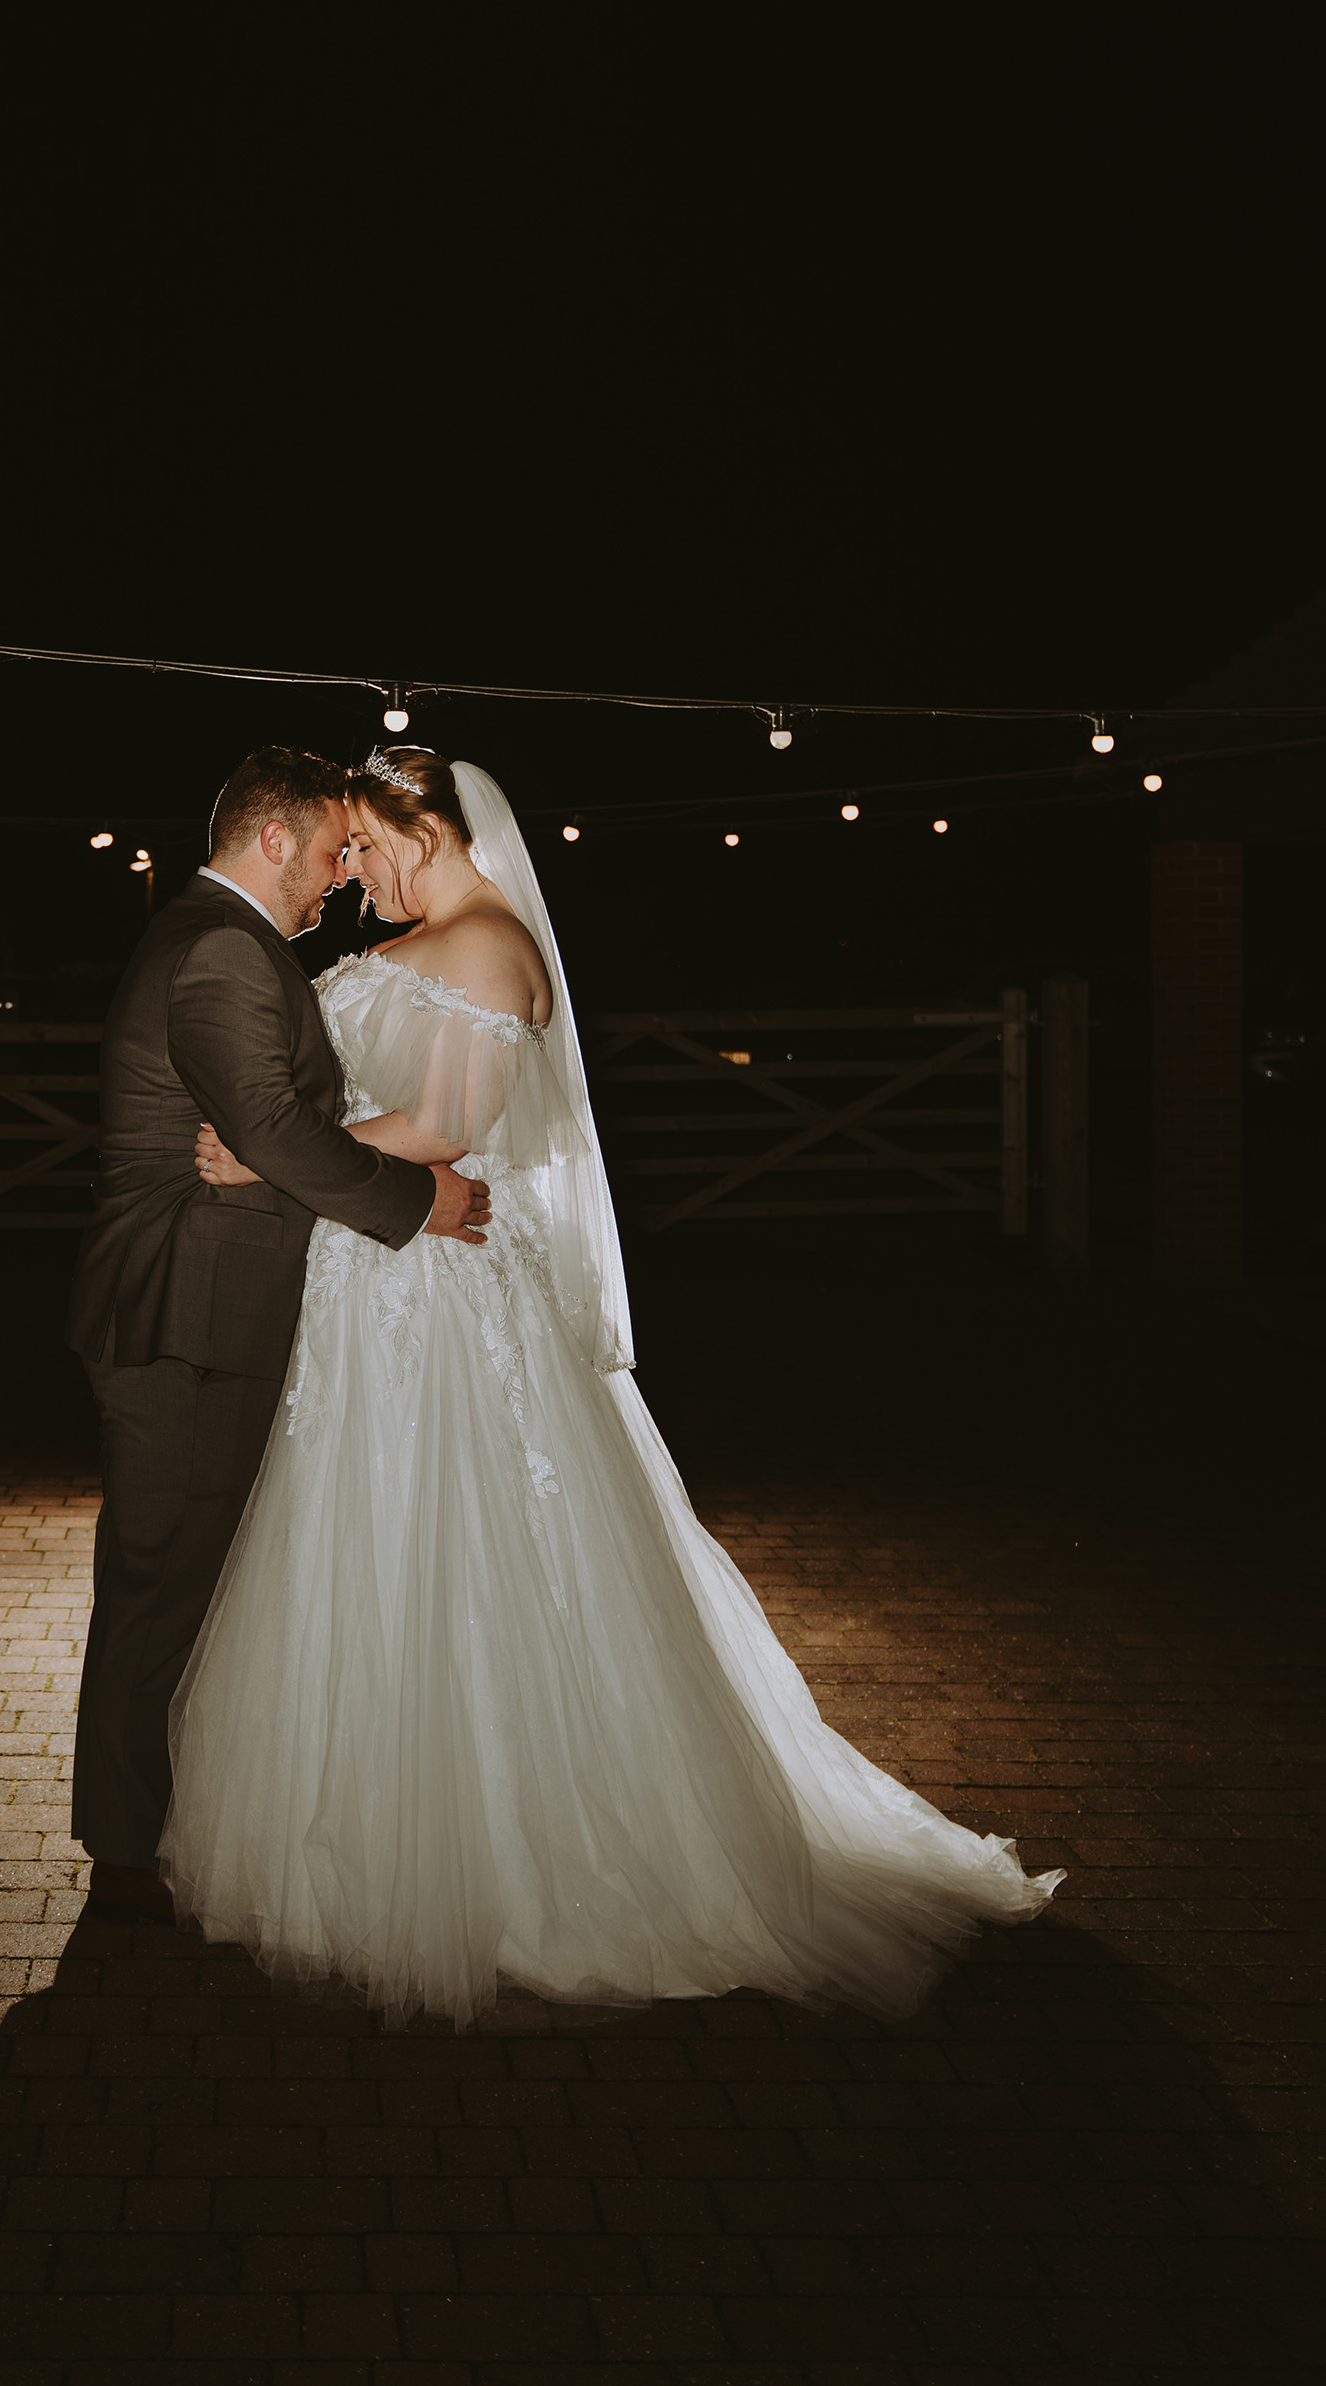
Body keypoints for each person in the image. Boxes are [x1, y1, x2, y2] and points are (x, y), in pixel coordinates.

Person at [166, 746, 1063, 2024]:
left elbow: (438, 1131)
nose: (350, 876)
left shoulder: (487, 948)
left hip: (441, 1292)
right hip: (378, 1276)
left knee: (464, 1545)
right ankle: (363, 1839)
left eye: (359, 847)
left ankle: (519, 1866)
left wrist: (266, 1161)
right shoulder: (447, 934)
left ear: (412, 832)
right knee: (364, 1536)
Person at [64, 745, 493, 1921]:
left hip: (203, 1302)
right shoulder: (221, 947)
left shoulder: (221, 939)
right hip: (185, 1306)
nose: (334, 881)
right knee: (164, 1578)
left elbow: (269, 1130)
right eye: (324, 854)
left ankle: (140, 1820)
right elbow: (266, 1123)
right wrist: (425, 1202)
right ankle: (127, 1843)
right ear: (272, 840)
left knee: (178, 1574)